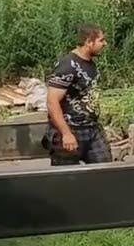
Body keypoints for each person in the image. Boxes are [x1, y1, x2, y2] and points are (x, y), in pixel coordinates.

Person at [44, 24, 111, 166]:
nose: (105, 44)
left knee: (106, 171)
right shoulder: (68, 65)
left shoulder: (90, 63)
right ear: (88, 42)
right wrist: (66, 133)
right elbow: (52, 102)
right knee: (68, 180)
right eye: (101, 40)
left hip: (92, 129)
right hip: (70, 129)